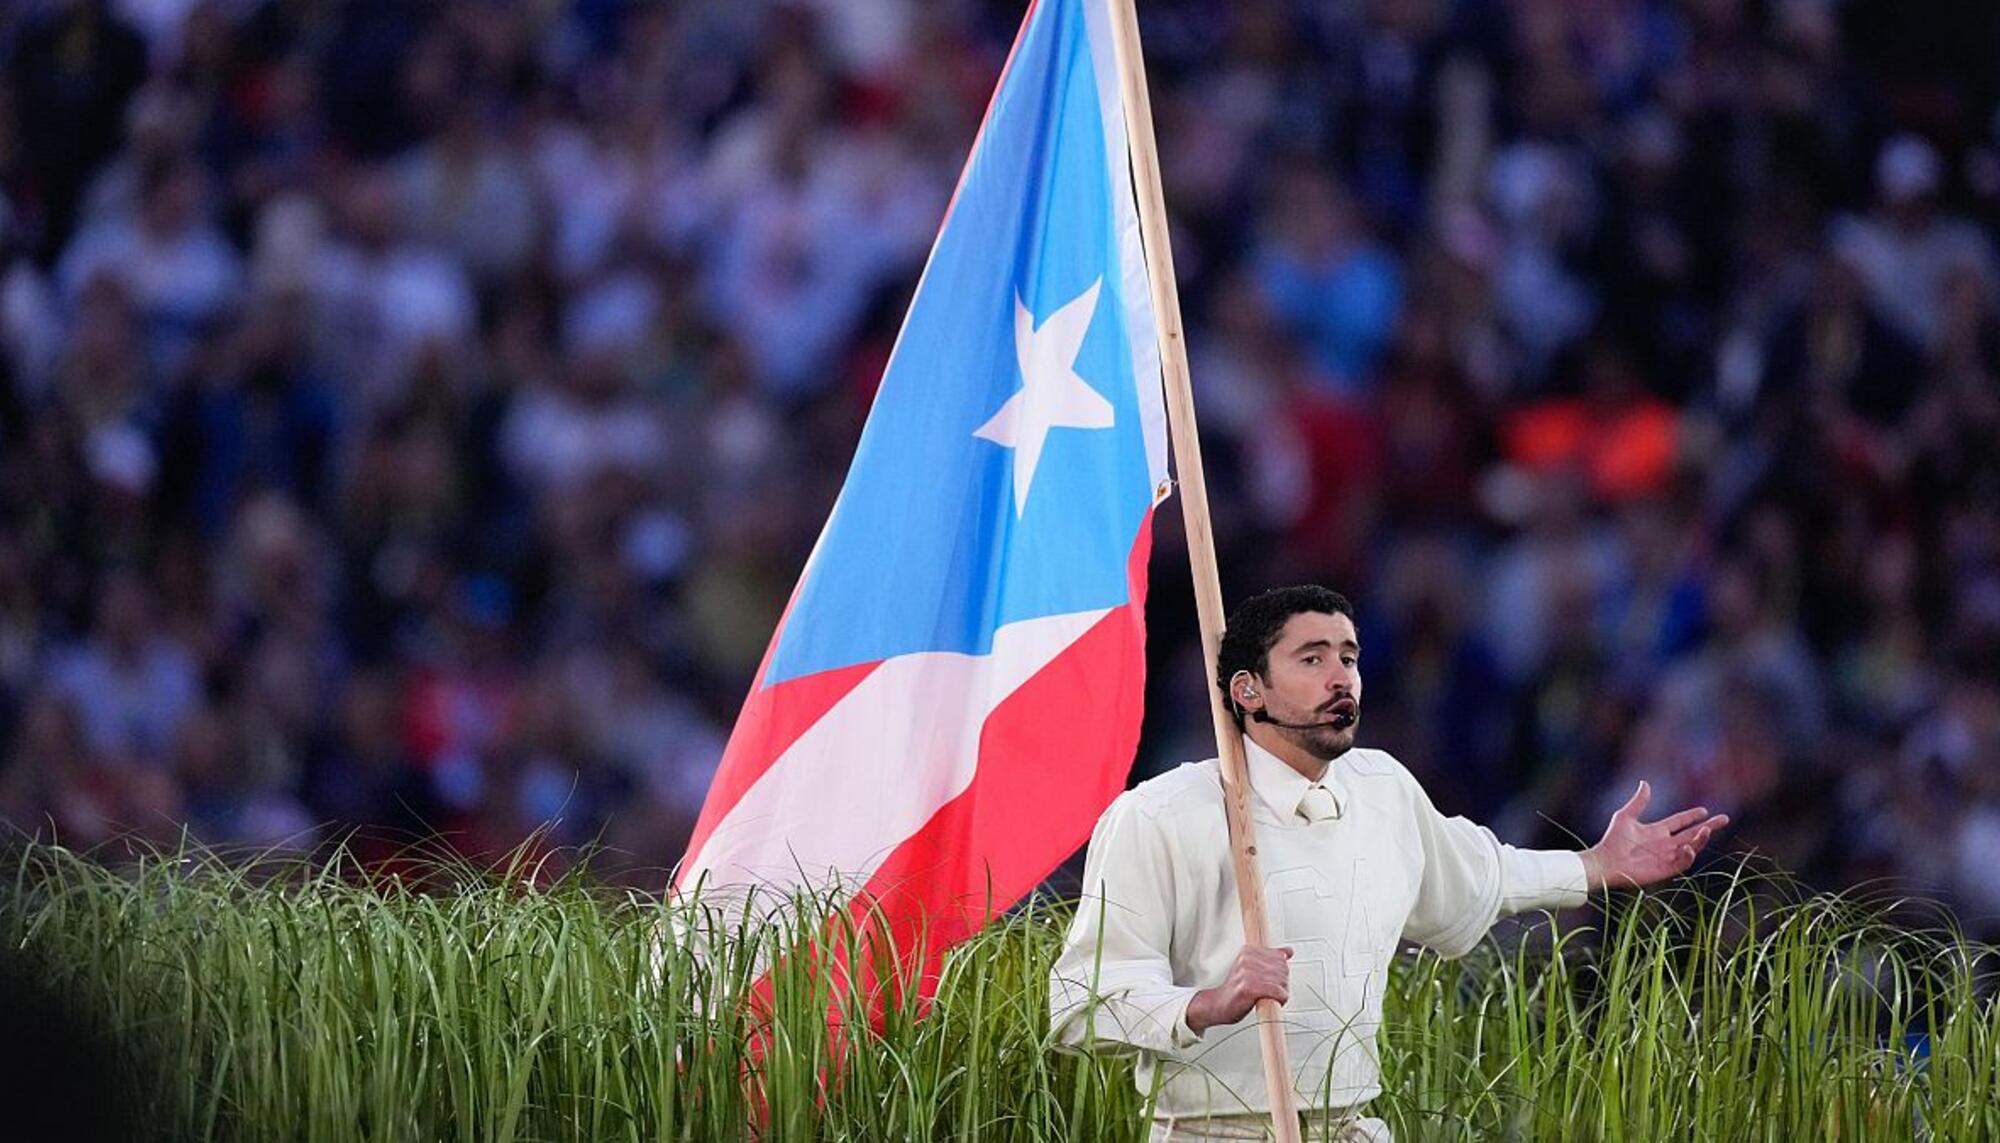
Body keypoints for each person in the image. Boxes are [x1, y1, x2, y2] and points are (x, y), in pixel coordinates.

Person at [1049, 585, 1727, 1142]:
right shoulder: (1158, 813)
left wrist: (1593, 866)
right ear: (1249, 690)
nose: (1342, 676)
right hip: (1209, 1133)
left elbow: (1479, 872)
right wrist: (1206, 1002)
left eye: (1349, 655)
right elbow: (1078, 1002)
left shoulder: (1383, 787)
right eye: (1312, 659)